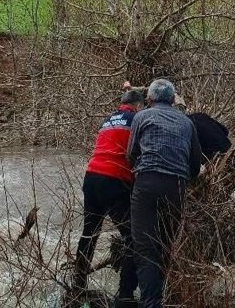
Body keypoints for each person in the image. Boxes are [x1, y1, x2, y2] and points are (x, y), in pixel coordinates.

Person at [127, 79, 201, 308]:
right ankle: (170, 292)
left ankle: (151, 302)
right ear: (173, 99)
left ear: (148, 99)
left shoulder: (141, 117)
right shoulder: (187, 123)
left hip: (147, 183)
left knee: (145, 246)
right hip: (176, 187)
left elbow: (131, 154)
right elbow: (195, 165)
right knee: (167, 242)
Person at [72, 89, 143, 307]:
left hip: (92, 177)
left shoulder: (108, 120)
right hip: (114, 180)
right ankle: (125, 296)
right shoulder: (137, 119)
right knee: (132, 238)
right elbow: (139, 152)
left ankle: (78, 284)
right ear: (138, 105)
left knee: (89, 232)